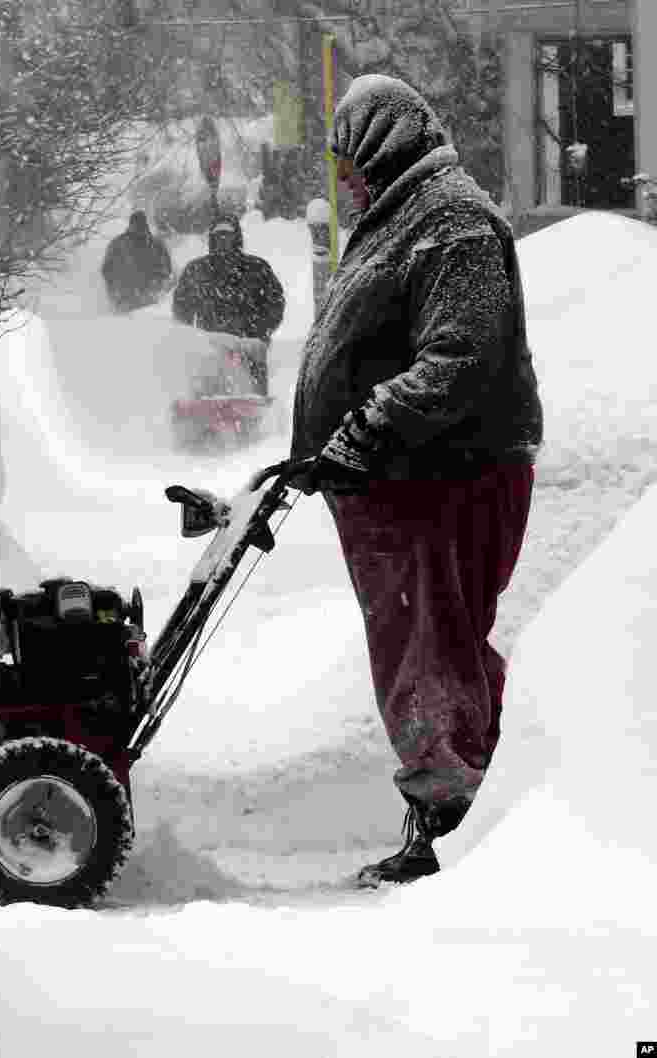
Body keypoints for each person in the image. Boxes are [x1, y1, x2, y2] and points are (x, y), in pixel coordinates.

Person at [288, 75, 544, 887]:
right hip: (398, 482)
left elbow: (459, 360)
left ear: (383, 145)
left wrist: (365, 428)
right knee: (440, 645)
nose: (345, 182)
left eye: (349, 163)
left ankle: (449, 825)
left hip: (442, 480)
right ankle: (508, 787)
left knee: (428, 650)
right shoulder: (405, 217)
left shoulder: (453, 223)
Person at [172, 213, 285, 395]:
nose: (223, 240)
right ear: (212, 238)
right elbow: (181, 308)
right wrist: (193, 338)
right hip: (210, 349)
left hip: (249, 347)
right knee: (206, 397)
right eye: (218, 236)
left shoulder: (257, 268)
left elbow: (275, 303)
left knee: (253, 399)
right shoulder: (196, 270)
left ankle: (257, 416)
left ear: (236, 237)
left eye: (227, 235)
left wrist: (259, 333)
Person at [101, 210, 173, 314]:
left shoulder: (118, 243)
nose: (138, 228)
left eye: (139, 224)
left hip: (130, 301)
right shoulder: (156, 244)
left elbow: (106, 271)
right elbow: (166, 272)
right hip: (146, 302)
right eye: (137, 224)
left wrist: (115, 292)